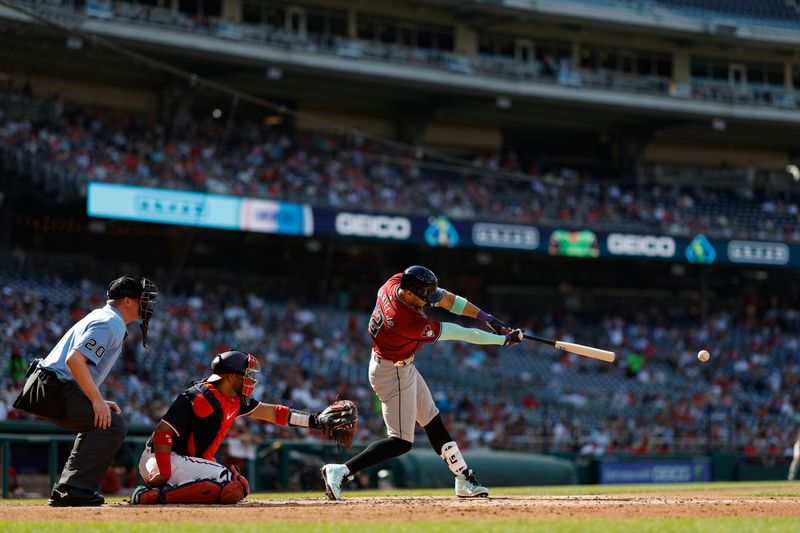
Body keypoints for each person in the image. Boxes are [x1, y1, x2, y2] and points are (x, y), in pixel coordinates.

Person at [321, 265, 523, 500]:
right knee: (400, 441)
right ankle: (341, 471)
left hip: (399, 367)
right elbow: (461, 333)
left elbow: (448, 300)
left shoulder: (395, 282)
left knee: (433, 420)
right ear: (408, 293)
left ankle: (462, 477)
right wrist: (502, 341)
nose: (428, 302)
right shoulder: (405, 320)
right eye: (423, 297)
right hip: (391, 372)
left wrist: (489, 319)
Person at [131, 350, 351, 504]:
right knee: (234, 485)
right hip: (163, 458)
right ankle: (153, 496)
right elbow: (162, 433)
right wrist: (163, 472)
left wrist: (314, 420)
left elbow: (274, 413)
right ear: (228, 377)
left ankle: (160, 494)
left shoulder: (235, 399)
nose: (249, 379)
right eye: (244, 375)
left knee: (235, 487)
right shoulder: (198, 396)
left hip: (180, 460)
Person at [12, 275, 158, 507]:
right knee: (112, 425)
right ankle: (73, 490)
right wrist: (96, 400)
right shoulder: (110, 322)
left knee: (103, 422)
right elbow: (75, 361)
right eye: (143, 299)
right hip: (52, 388)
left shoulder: (104, 317)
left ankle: (69, 489)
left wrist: (96, 399)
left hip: (52, 385)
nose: (148, 305)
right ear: (128, 301)